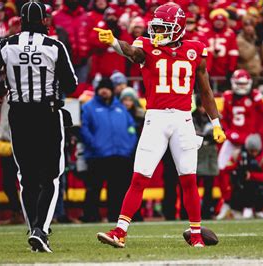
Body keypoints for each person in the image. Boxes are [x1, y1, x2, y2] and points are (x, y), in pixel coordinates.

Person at [94, 2, 226, 248]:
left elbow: (206, 91)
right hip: (155, 118)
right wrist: (113, 42)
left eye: (164, 28)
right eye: (156, 27)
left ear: (178, 29)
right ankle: (120, 232)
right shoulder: (147, 46)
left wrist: (216, 123)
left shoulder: (195, 50)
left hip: (183, 120)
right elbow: (131, 52)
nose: (157, 33)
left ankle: (196, 235)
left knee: (188, 180)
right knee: (139, 177)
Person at [0, 1, 78, 252]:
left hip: (19, 114)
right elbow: (71, 84)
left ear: (21, 20)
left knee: (27, 178)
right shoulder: (54, 45)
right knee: (52, 176)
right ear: (44, 20)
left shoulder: (6, 44)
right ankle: (40, 230)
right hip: (47, 113)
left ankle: (34, 227)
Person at [216, 69, 263, 220]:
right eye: (238, 83)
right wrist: (227, 132)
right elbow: (224, 119)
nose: (241, 86)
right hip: (232, 139)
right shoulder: (227, 96)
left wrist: (256, 134)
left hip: (248, 142)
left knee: (250, 171)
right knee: (221, 168)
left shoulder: (254, 95)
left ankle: (250, 206)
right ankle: (227, 202)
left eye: (243, 83)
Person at [80, 78, 137, 222]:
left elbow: (131, 129)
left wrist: (128, 146)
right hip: (97, 155)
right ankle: (91, 217)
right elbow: (84, 129)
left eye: (107, 88)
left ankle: (114, 217)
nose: (104, 90)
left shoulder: (121, 108)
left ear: (112, 90)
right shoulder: (88, 107)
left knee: (117, 190)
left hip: (119, 155)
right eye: (102, 88)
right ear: (97, 90)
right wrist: (95, 145)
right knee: (94, 189)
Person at [225, 134, 263, 219]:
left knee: (260, 188)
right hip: (239, 186)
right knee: (235, 181)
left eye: (255, 151)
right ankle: (236, 209)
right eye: (251, 151)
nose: (253, 153)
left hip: (255, 186)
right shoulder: (238, 154)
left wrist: (251, 175)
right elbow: (227, 168)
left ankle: (257, 210)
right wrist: (238, 165)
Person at [0, 99, 24, 225]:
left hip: (18, 143)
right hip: (7, 143)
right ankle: (18, 212)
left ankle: (26, 213)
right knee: (8, 183)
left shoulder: (20, 97)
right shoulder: (5, 99)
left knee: (26, 181)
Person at [192, 97, 218, 219]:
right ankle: (190, 211)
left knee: (209, 185)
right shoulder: (192, 117)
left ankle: (207, 211)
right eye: (201, 106)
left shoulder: (213, 116)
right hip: (197, 151)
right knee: (193, 184)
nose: (202, 109)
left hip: (210, 152)